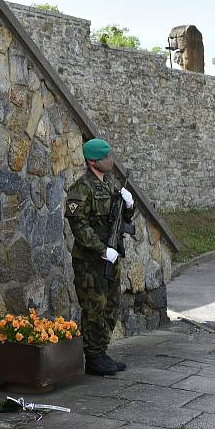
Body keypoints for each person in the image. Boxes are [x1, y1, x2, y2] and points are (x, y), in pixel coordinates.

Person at [65, 138, 135, 376]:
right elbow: (79, 225)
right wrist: (101, 249)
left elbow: (121, 220)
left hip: (110, 257)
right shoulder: (81, 188)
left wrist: (129, 205)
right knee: (95, 307)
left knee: (111, 305)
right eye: (106, 157)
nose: (110, 160)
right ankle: (93, 357)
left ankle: (102, 351)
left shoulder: (108, 186)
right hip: (91, 261)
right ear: (93, 161)